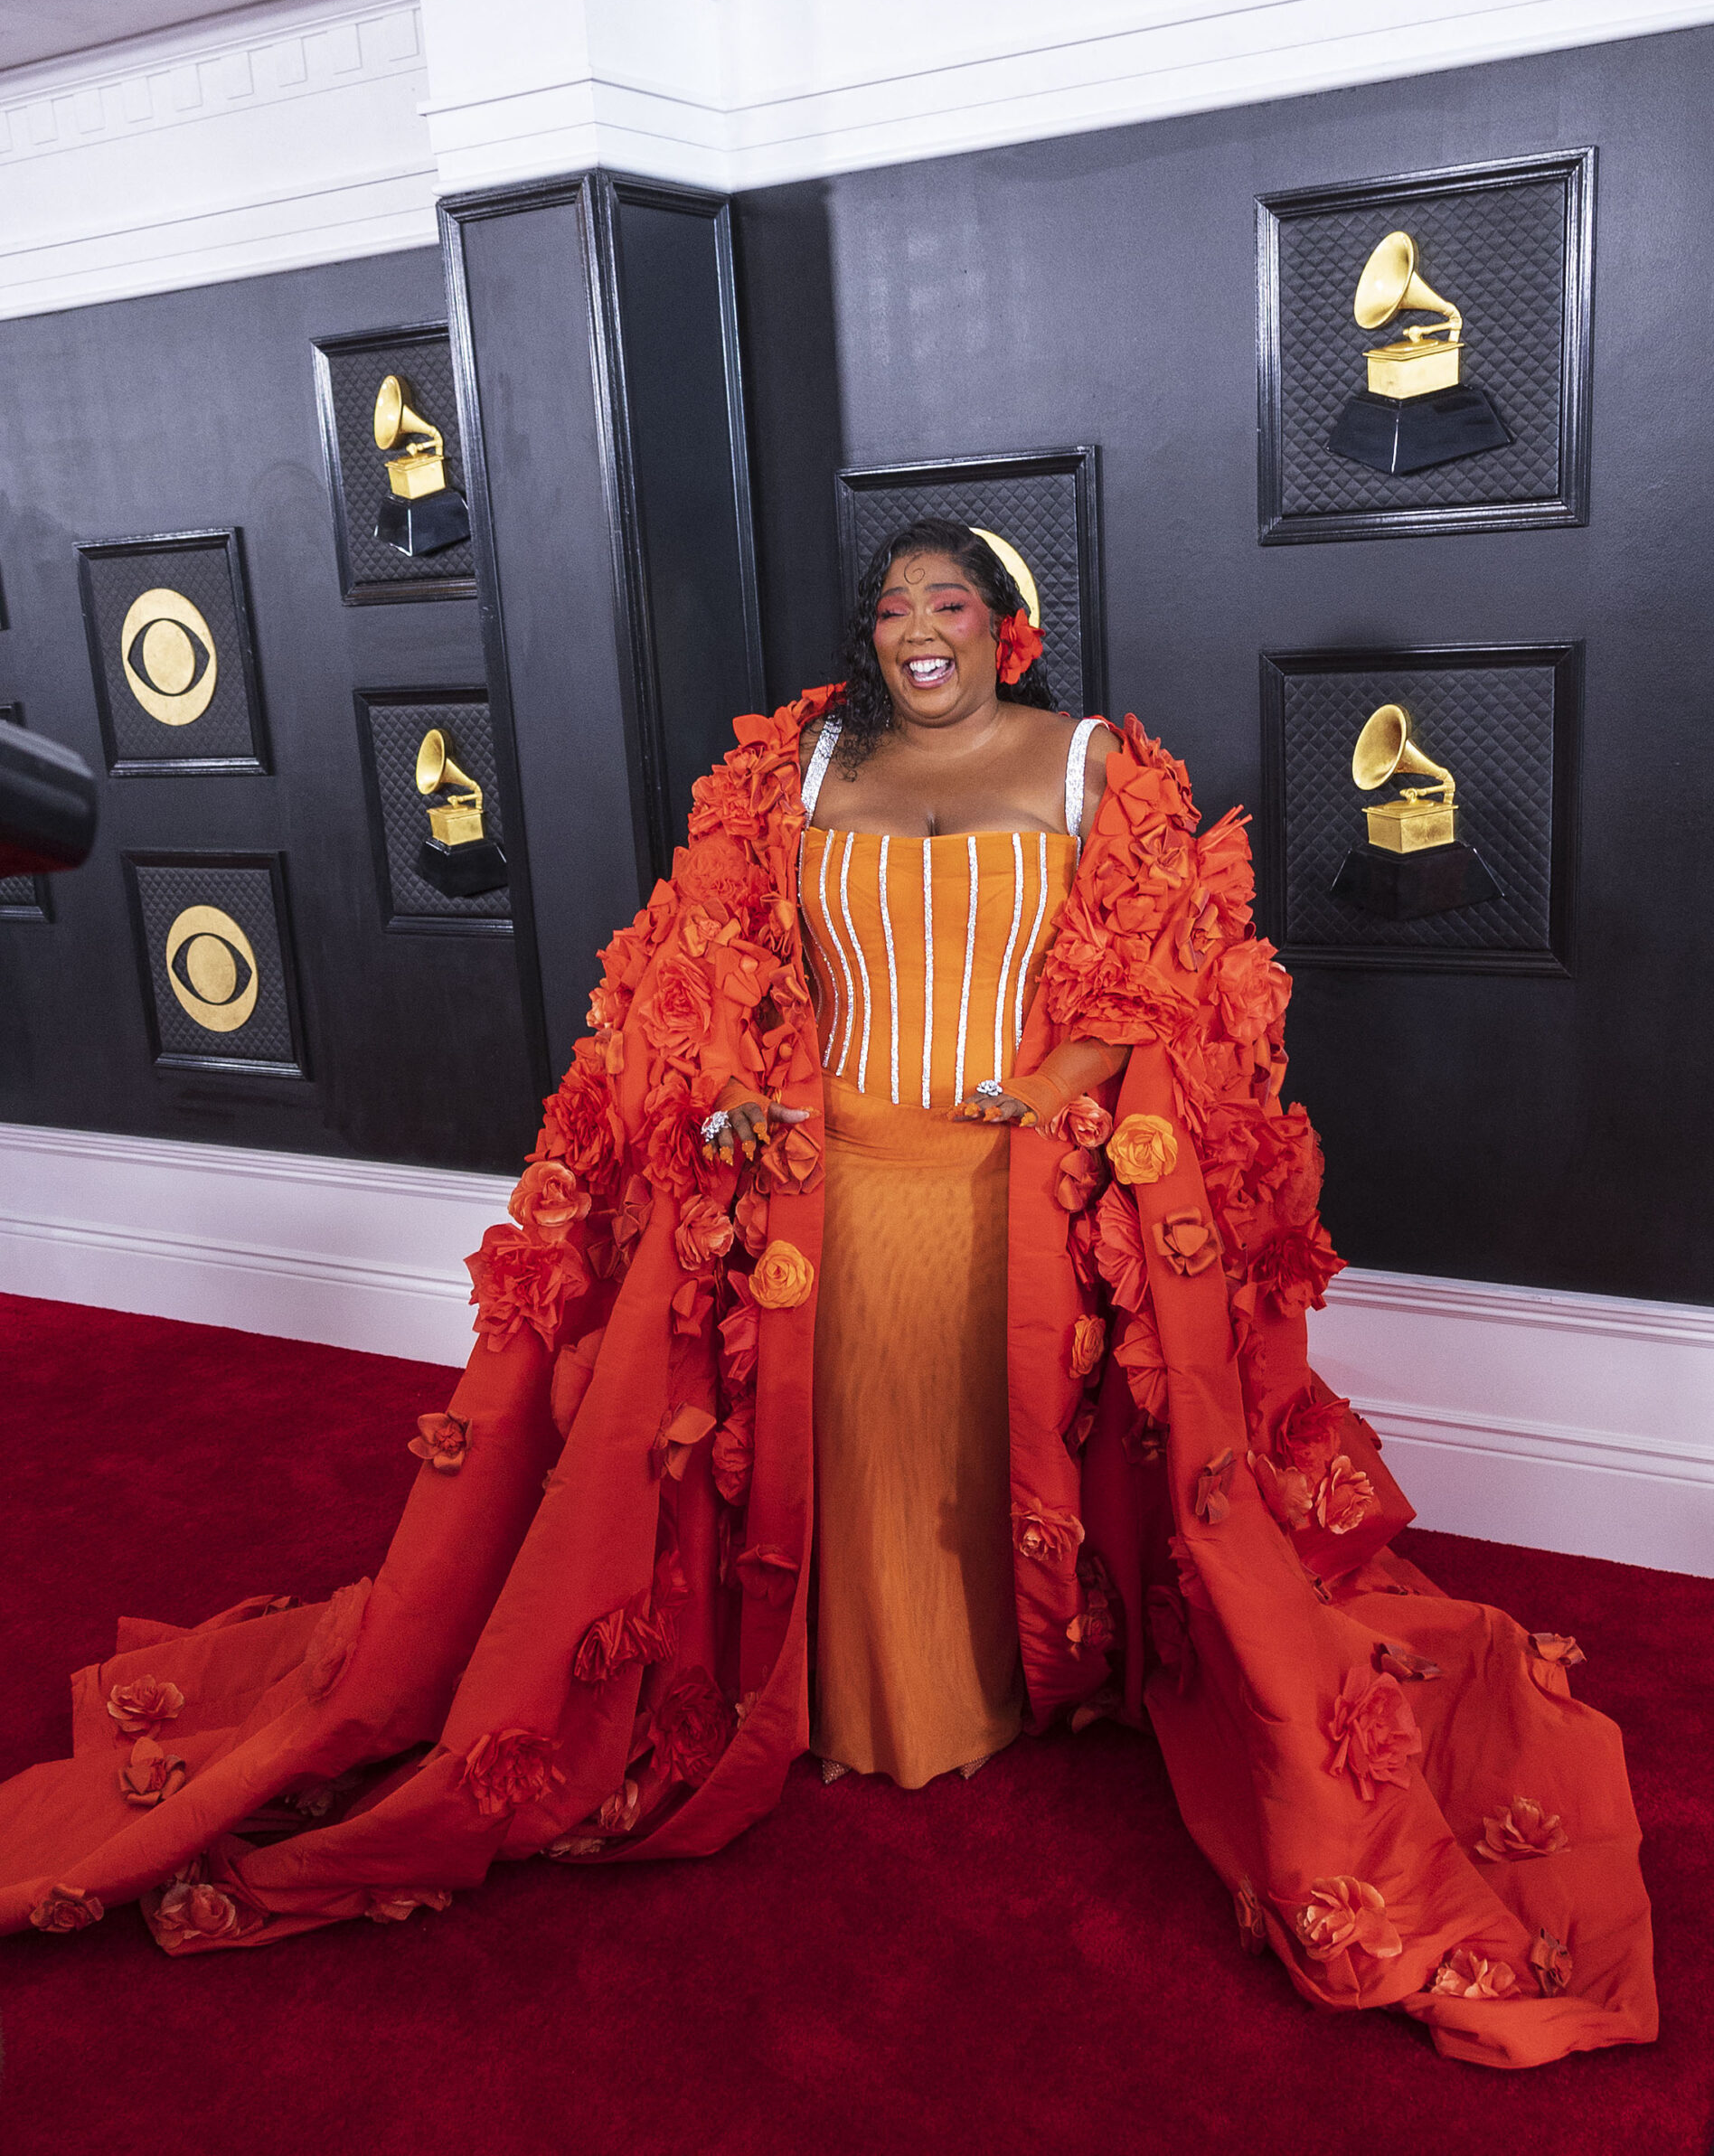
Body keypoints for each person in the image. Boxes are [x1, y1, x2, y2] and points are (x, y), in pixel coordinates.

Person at [0, 520, 1655, 2070]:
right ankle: (838, 1696)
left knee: (977, 1437)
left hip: (1010, 1178)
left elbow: (1164, 964)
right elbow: (698, 958)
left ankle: (987, 1686)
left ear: (1007, 632)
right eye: (891, 609)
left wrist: (1065, 1078)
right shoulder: (795, 762)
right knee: (826, 1432)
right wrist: (719, 1081)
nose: (918, 632)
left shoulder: (1097, 765)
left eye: (949, 606)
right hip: (816, 1171)